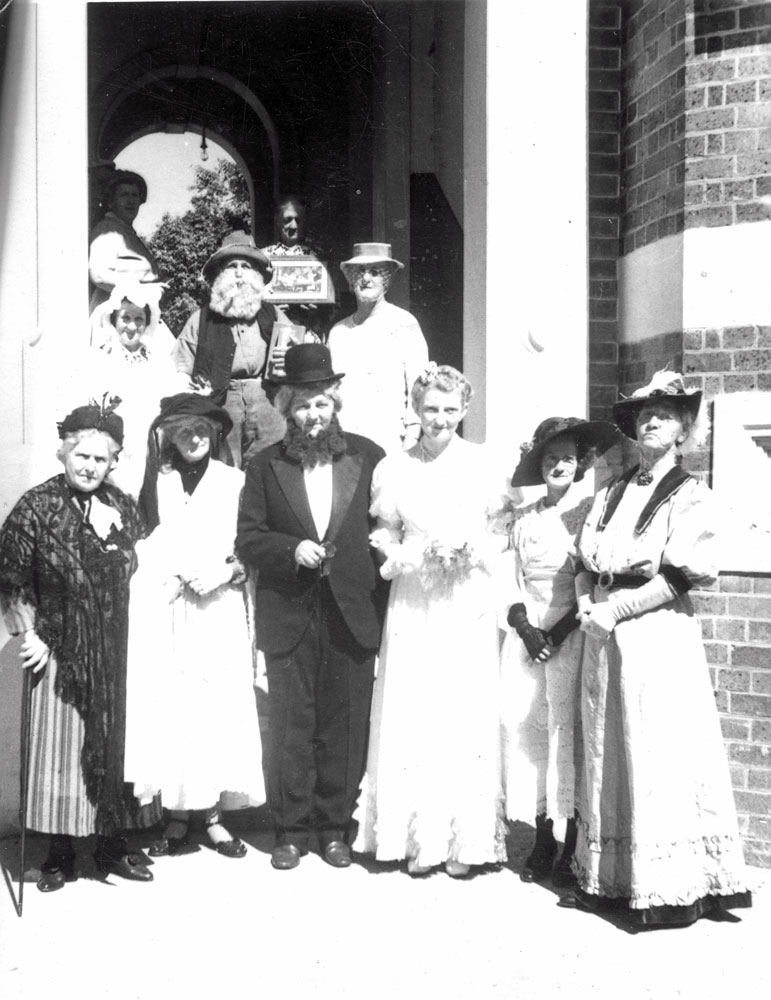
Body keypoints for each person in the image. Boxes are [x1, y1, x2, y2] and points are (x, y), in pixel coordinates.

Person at [565, 371, 752, 928]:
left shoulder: (692, 495)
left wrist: (613, 611)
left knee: (655, 746)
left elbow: (679, 575)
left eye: (664, 415)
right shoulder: (608, 493)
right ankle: (608, 879)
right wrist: (585, 606)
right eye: (644, 414)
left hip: (655, 631)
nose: (650, 421)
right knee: (605, 745)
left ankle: (669, 885)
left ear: (682, 432)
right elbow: (583, 562)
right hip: (601, 630)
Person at [236, 344, 386, 871]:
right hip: (290, 608)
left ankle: (334, 829)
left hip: (352, 608)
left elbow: (387, 531)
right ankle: (291, 832)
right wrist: (288, 549)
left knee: (345, 724)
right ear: (286, 408)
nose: (313, 415)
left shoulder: (368, 457)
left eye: (321, 403)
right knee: (291, 725)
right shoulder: (264, 465)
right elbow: (248, 539)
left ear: (336, 402)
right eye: (302, 405)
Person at [354, 364, 507, 878]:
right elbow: (383, 531)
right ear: (414, 411)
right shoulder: (394, 468)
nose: (439, 419)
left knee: (460, 711)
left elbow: (499, 531)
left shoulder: (485, 464)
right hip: (415, 596)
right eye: (430, 409)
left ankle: (464, 844)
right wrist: (410, 556)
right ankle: (415, 839)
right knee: (413, 709)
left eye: (448, 409)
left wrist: (468, 549)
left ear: (463, 410)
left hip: (466, 598)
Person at [0, 403, 157, 891]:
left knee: (116, 748)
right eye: (81, 455)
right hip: (59, 650)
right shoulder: (36, 506)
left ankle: (112, 847)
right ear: (64, 451)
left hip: (117, 650)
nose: (89, 466)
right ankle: (59, 853)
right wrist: (31, 634)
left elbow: (144, 571)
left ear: (113, 462)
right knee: (62, 752)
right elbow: (10, 577)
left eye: (101, 459)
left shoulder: (124, 506)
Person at [124, 393, 265, 859]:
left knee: (216, 707)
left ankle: (214, 817)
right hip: (172, 605)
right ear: (169, 436)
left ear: (217, 434)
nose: (194, 438)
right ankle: (180, 815)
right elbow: (144, 541)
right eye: (183, 430)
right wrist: (169, 574)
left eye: (202, 430)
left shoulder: (235, 481)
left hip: (218, 606)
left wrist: (226, 572)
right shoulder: (158, 482)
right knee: (178, 707)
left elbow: (250, 544)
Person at [499, 416, 618, 887]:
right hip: (529, 634)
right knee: (528, 728)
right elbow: (508, 577)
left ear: (581, 464)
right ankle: (543, 834)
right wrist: (526, 627)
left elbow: (593, 576)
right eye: (550, 459)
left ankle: (571, 842)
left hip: (572, 632)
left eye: (567, 458)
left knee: (566, 733)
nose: (558, 466)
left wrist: (562, 629)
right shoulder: (525, 518)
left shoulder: (591, 513)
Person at [173, 230, 296, 469]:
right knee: (223, 470)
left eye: (247, 266)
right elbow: (180, 371)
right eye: (231, 266)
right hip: (220, 401)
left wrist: (288, 361)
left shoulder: (274, 314)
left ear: (257, 275)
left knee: (272, 466)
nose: (239, 274)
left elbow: (296, 357)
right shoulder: (200, 319)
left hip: (268, 398)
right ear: (220, 275)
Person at [328, 242, 429, 453]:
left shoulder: (404, 324)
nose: (366, 279)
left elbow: (418, 388)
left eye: (375, 272)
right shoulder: (339, 331)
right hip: (345, 442)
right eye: (359, 272)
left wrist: (411, 438)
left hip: (389, 441)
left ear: (386, 279)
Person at [86, 279, 180, 497]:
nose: (132, 326)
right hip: (115, 444)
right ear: (114, 319)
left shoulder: (159, 360)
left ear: (147, 323)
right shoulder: (100, 357)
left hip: (152, 444)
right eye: (125, 318)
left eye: (139, 319)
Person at [89, 169, 160, 313]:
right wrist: (138, 289)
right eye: (124, 195)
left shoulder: (128, 234)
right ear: (111, 202)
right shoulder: (108, 228)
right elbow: (98, 274)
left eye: (134, 195)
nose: (131, 201)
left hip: (135, 312)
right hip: (116, 314)